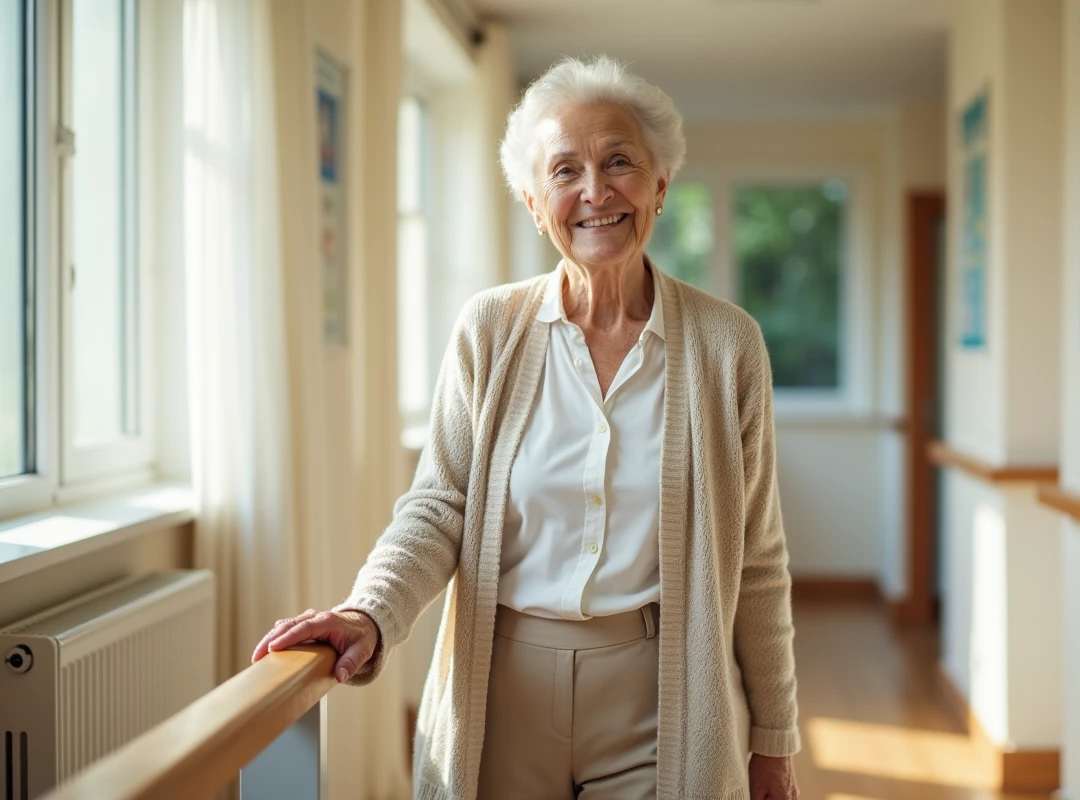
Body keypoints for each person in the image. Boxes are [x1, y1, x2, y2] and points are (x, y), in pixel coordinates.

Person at [254, 55, 801, 800]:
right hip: (500, 688)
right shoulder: (490, 329)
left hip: (660, 692)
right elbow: (437, 506)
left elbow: (759, 559)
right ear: (533, 201)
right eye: (565, 170)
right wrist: (368, 610)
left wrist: (773, 739)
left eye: (619, 163)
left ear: (661, 186)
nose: (596, 191)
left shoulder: (727, 344)